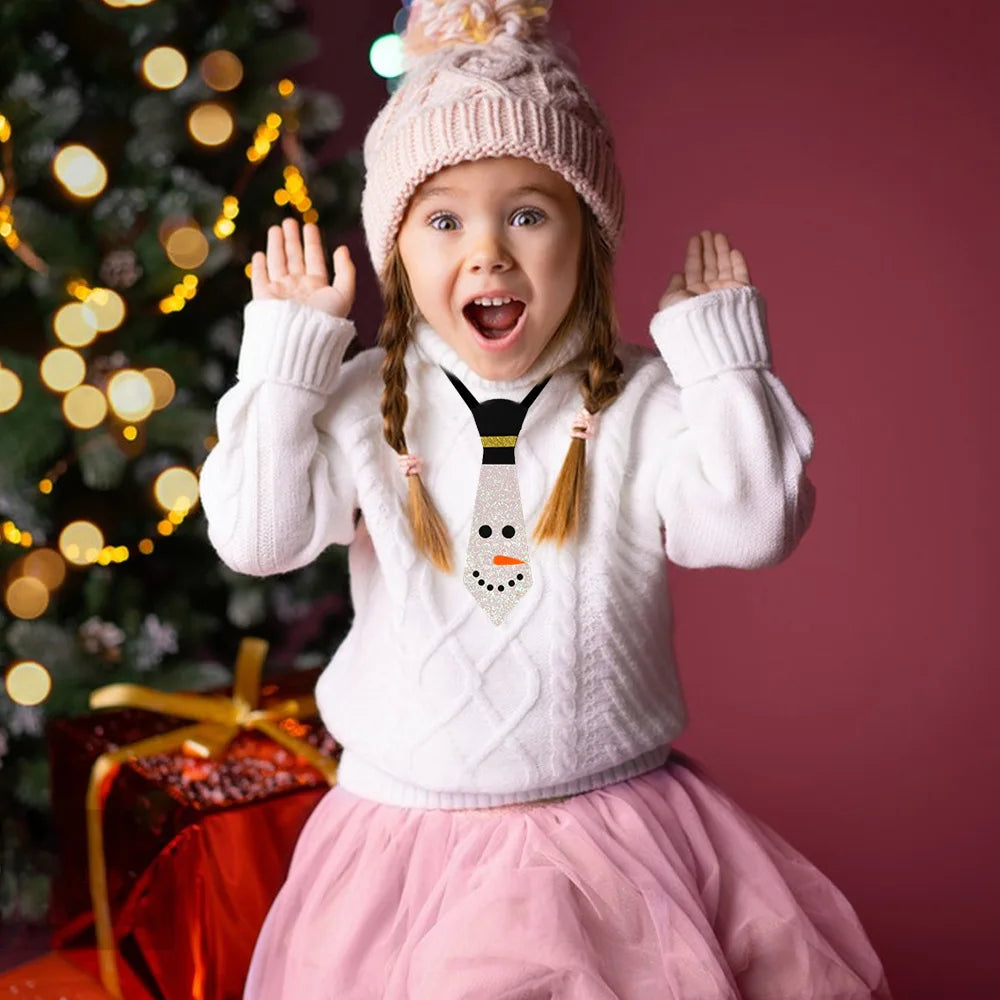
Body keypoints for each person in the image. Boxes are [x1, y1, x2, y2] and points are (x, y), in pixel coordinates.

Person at [199, 2, 892, 996]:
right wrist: (284, 360)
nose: (486, 252)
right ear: (398, 250)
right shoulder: (358, 402)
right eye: (443, 220)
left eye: (526, 212)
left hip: (616, 840)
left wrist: (721, 363)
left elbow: (750, 527)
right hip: (407, 850)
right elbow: (259, 538)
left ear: (587, 238)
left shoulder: (644, 399)